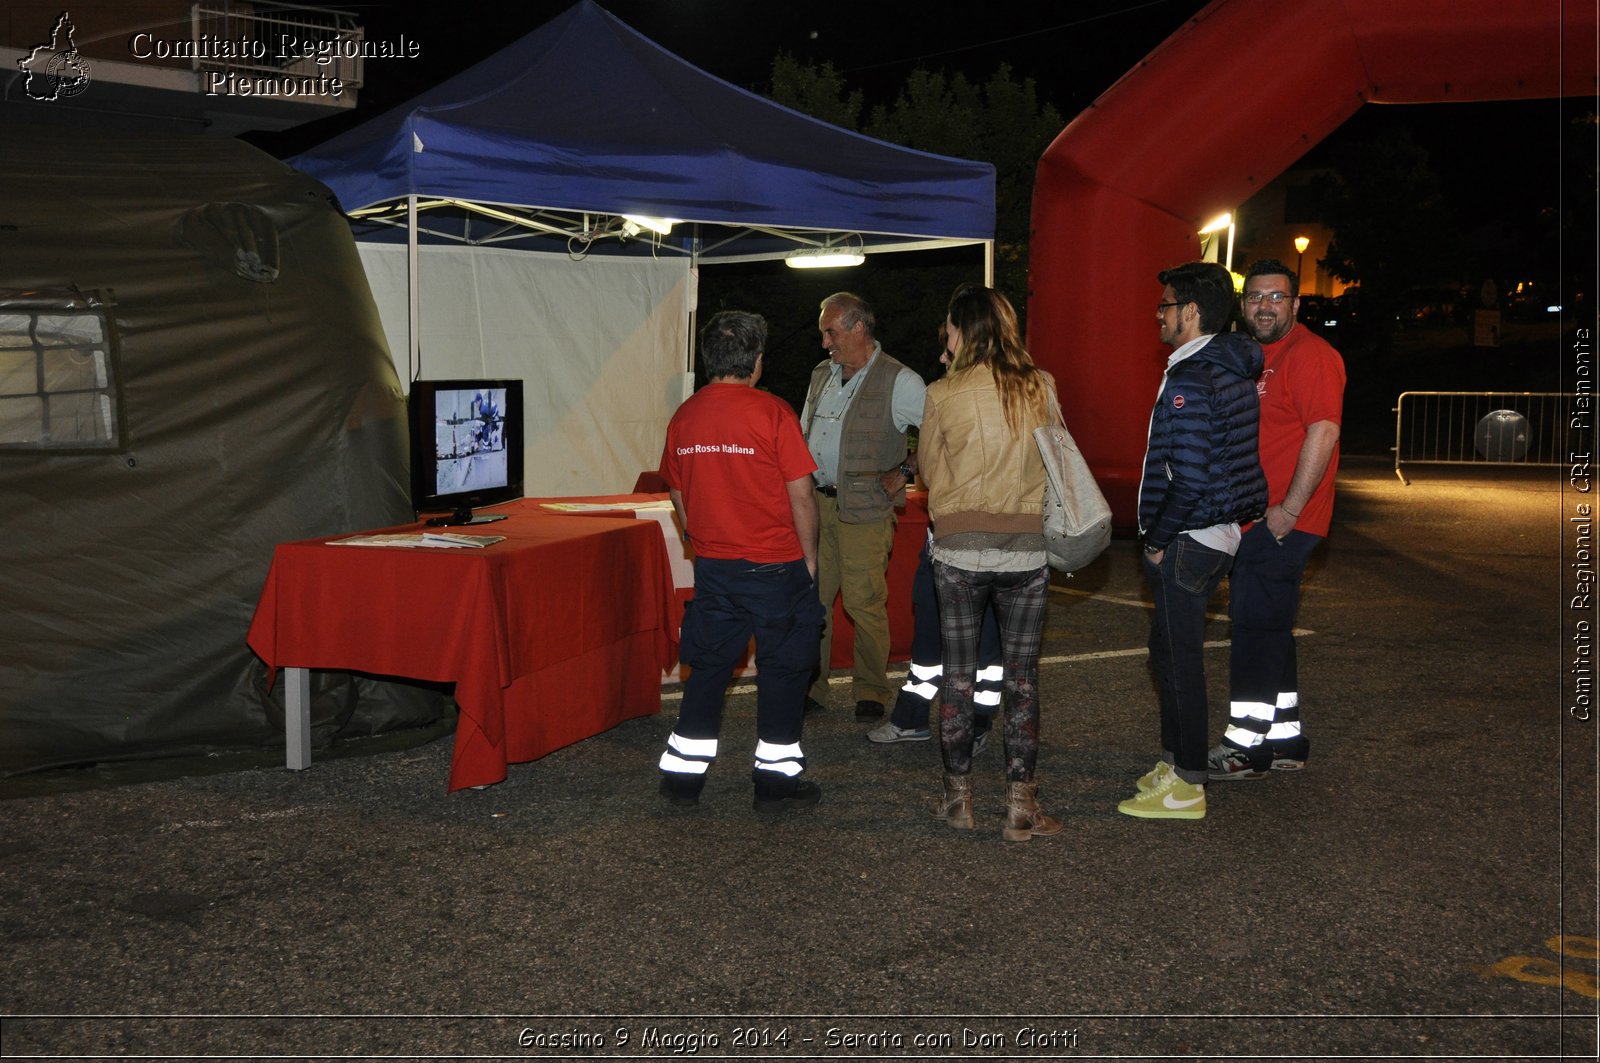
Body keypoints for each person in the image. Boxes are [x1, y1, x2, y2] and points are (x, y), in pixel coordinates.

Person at [655, 311, 827, 813]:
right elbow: (801, 495)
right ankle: (774, 788)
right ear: (755, 362)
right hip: (776, 567)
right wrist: (809, 561)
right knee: (784, 671)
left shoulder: (685, 417)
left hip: (715, 568)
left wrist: (699, 541)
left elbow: (677, 489)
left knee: (708, 668)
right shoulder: (772, 413)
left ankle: (682, 780)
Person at [1121, 261, 1266, 822]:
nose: (1158, 314)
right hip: (1214, 532)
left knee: (1180, 661)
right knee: (1166, 651)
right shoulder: (1223, 367)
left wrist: (1157, 537)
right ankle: (1175, 763)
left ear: (1191, 312)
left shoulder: (1192, 376)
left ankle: (1187, 785)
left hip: (1189, 536)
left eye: (1165, 305)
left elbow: (1191, 476)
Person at [919, 283, 1062, 842]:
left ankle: (958, 802)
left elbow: (930, 472)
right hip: (1026, 550)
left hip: (958, 552)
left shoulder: (941, 394)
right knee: (1022, 681)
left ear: (964, 329)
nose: (946, 339)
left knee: (958, 677)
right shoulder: (1043, 387)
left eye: (949, 330)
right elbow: (1056, 457)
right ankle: (1021, 808)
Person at [1208, 259, 1345, 780]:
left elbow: (1323, 433)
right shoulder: (1253, 356)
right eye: (1255, 298)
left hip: (1283, 521)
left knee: (1254, 629)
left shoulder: (1310, 355)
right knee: (1269, 626)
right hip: (1257, 518)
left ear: (1295, 304)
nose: (1264, 307)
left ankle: (1244, 746)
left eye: (1276, 298)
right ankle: (1285, 737)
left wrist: (1288, 511)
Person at [868, 320, 1002, 749]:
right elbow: (929, 465)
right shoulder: (960, 399)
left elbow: (935, 464)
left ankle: (977, 725)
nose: (942, 358)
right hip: (945, 537)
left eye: (949, 346)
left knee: (985, 644)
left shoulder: (1000, 398)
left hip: (983, 540)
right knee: (930, 626)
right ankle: (913, 717)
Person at [801, 292, 926, 721]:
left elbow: (942, 434)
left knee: (863, 601)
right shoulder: (822, 373)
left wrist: (907, 470)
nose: (825, 343)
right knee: (813, 600)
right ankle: (810, 687)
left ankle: (871, 690)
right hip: (817, 504)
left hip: (867, 509)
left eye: (830, 332)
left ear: (858, 328)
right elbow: (805, 434)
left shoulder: (901, 379)